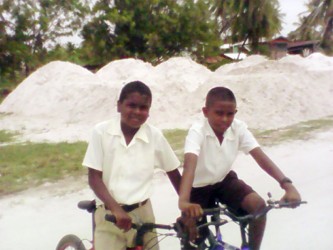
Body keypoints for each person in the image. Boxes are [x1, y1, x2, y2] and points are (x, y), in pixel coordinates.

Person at [178, 86, 301, 250]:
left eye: (230, 114)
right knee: (193, 235)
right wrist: (184, 203)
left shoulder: (238, 128)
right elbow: (189, 167)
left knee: (258, 207)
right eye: (219, 113)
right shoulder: (197, 131)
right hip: (197, 188)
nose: (225, 119)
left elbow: (261, 157)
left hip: (224, 181)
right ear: (205, 112)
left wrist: (288, 185)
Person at [82, 81, 181, 250]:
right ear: (119, 106)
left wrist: (187, 207)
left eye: (143, 108)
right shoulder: (102, 132)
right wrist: (116, 209)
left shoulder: (154, 136)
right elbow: (94, 178)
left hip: (143, 213)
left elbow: (174, 174)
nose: (137, 112)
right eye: (131, 105)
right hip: (109, 213)